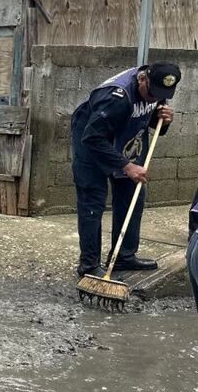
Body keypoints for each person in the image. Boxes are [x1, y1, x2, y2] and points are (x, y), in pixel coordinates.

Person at [71, 62, 178, 278]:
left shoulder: (157, 89)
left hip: (125, 141)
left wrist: (164, 121)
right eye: (151, 93)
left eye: (160, 95)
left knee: (132, 195)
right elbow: (92, 137)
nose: (154, 99)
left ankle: (123, 256)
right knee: (92, 201)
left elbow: (153, 124)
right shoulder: (116, 97)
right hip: (92, 143)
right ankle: (89, 265)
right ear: (142, 79)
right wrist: (126, 166)